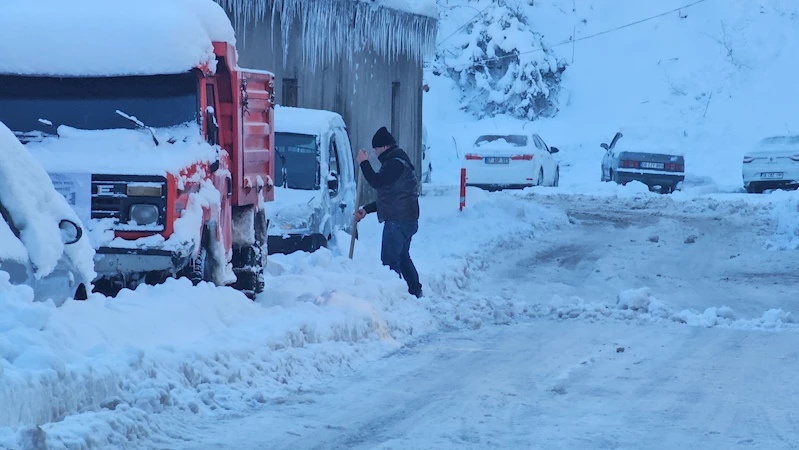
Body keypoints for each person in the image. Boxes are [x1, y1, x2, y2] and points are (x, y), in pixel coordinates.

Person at [354, 126, 422, 298]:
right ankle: (415, 291)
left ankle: (394, 298)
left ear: (384, 147)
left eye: (376, 149)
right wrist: (366, 210)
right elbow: (392, 197)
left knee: (389, 262)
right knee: (402, 257)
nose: (375, 153)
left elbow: (376, 182)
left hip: (399, 221)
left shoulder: (395, 164)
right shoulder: (398, 162)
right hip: (406, 218)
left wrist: (364, 163)